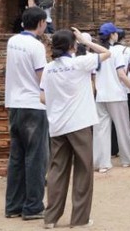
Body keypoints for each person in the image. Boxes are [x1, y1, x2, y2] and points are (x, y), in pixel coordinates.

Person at [41, 28, 111, 229]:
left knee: (57, 170)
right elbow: (106, 53)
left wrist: (59, 106)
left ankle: (51, 218)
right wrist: (84, 41)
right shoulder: (80, 63)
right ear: (73, 45)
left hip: (57, 125)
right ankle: (79, 219)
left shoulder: (48, 69)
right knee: (83, 170)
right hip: (79, 123)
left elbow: (42, 97)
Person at [4, 7, 49, 221]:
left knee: (17, 156)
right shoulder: (36, 46)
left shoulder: (12, 42)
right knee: (35, 157)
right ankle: (32, 206)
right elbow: (42, 78)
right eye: (44, 22)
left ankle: (13, 205)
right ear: (40, 22)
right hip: (34, 105)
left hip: (14, 104)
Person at [92, 22, 130, 173]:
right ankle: (129, 158)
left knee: (101, 130)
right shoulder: (116, 52)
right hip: (117, 95)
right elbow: (122, 75)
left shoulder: (97, 53)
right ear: (113, 35)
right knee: (123, 127)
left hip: (101, 95)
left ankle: (102, 162)